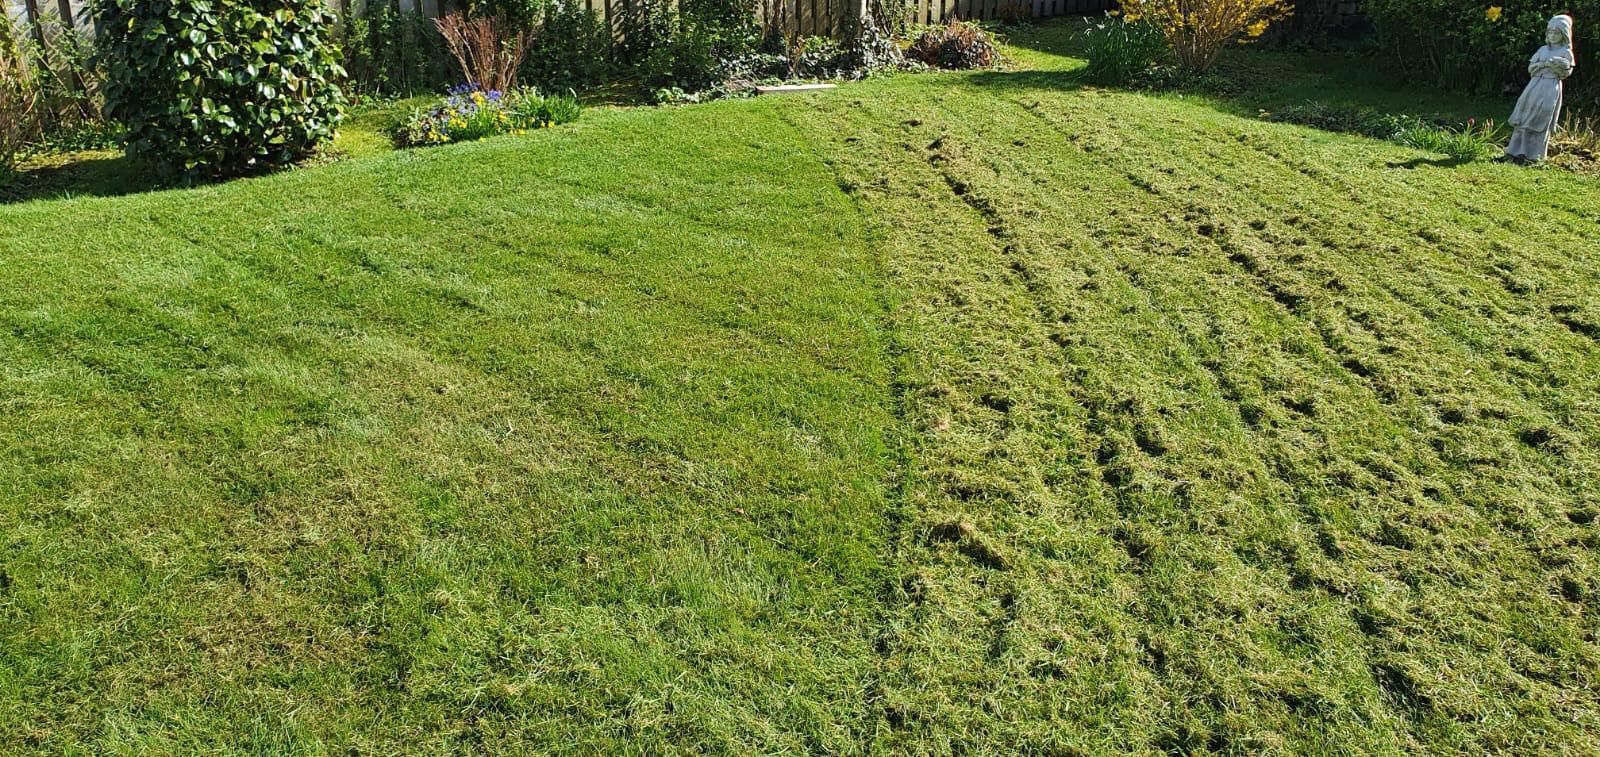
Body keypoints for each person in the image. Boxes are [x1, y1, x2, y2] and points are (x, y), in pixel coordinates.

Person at [1505, 15, 1577, 163]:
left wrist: (1556, 66)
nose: (1552, 35)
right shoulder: (1542, 49)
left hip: (1550, 87)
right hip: (1535, 86)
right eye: (1550, 32)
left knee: (1542, 117)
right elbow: (1531, 68)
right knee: (1525, 115)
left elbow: (1566, 72)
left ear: (1564, 34)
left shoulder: (1565, 52)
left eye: (1556, 32)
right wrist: (1541, 66)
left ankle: (1534, 155)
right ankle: (1515, 150)